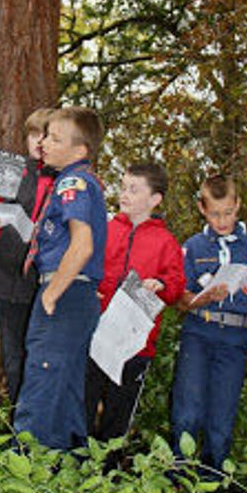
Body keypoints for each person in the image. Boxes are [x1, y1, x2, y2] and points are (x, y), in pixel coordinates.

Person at [170, 170, 247, 476]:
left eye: (228, 212)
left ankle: (213, 479)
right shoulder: (192, 247)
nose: (222, 220)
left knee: (222, 413)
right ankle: (179, 475)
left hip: (235, 337)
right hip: (199, 332)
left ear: (238, 205)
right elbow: (179, 299)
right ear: (203, 209)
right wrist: (201, 299)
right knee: (188, 409)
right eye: (216, 213)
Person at [14, 105, 107, 451]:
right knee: (65, 392)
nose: (44, 144)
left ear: (79, 150)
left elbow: (82, 246)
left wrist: (52, 294)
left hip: (63, 293)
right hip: (77, 294)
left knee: (42, 384)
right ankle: (68, 468)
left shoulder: (73, 181)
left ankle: (22, 473)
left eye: (54, 138)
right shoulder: (80, 180)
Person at [85, 162, 185, 445]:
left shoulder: (166, 242)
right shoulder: (105, 229)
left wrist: (161, 285)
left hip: (135, 345)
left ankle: (111, 476)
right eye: (123, 187)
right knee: (83, 406)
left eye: (134, 189)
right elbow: (87, 265)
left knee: (118, 414)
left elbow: (176, 285)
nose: (124, 194)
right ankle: (74, 469)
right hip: (96, 334)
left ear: (155, 199)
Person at [0, 107, 56, 402]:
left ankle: (37, 426)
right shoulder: (10, 168)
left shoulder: (65, 180)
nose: (38, 142)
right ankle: (19, 425)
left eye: (46, 135)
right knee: (13, 358)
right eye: (33, 134)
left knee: (40, 357)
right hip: (6, 280)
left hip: (44, 283)